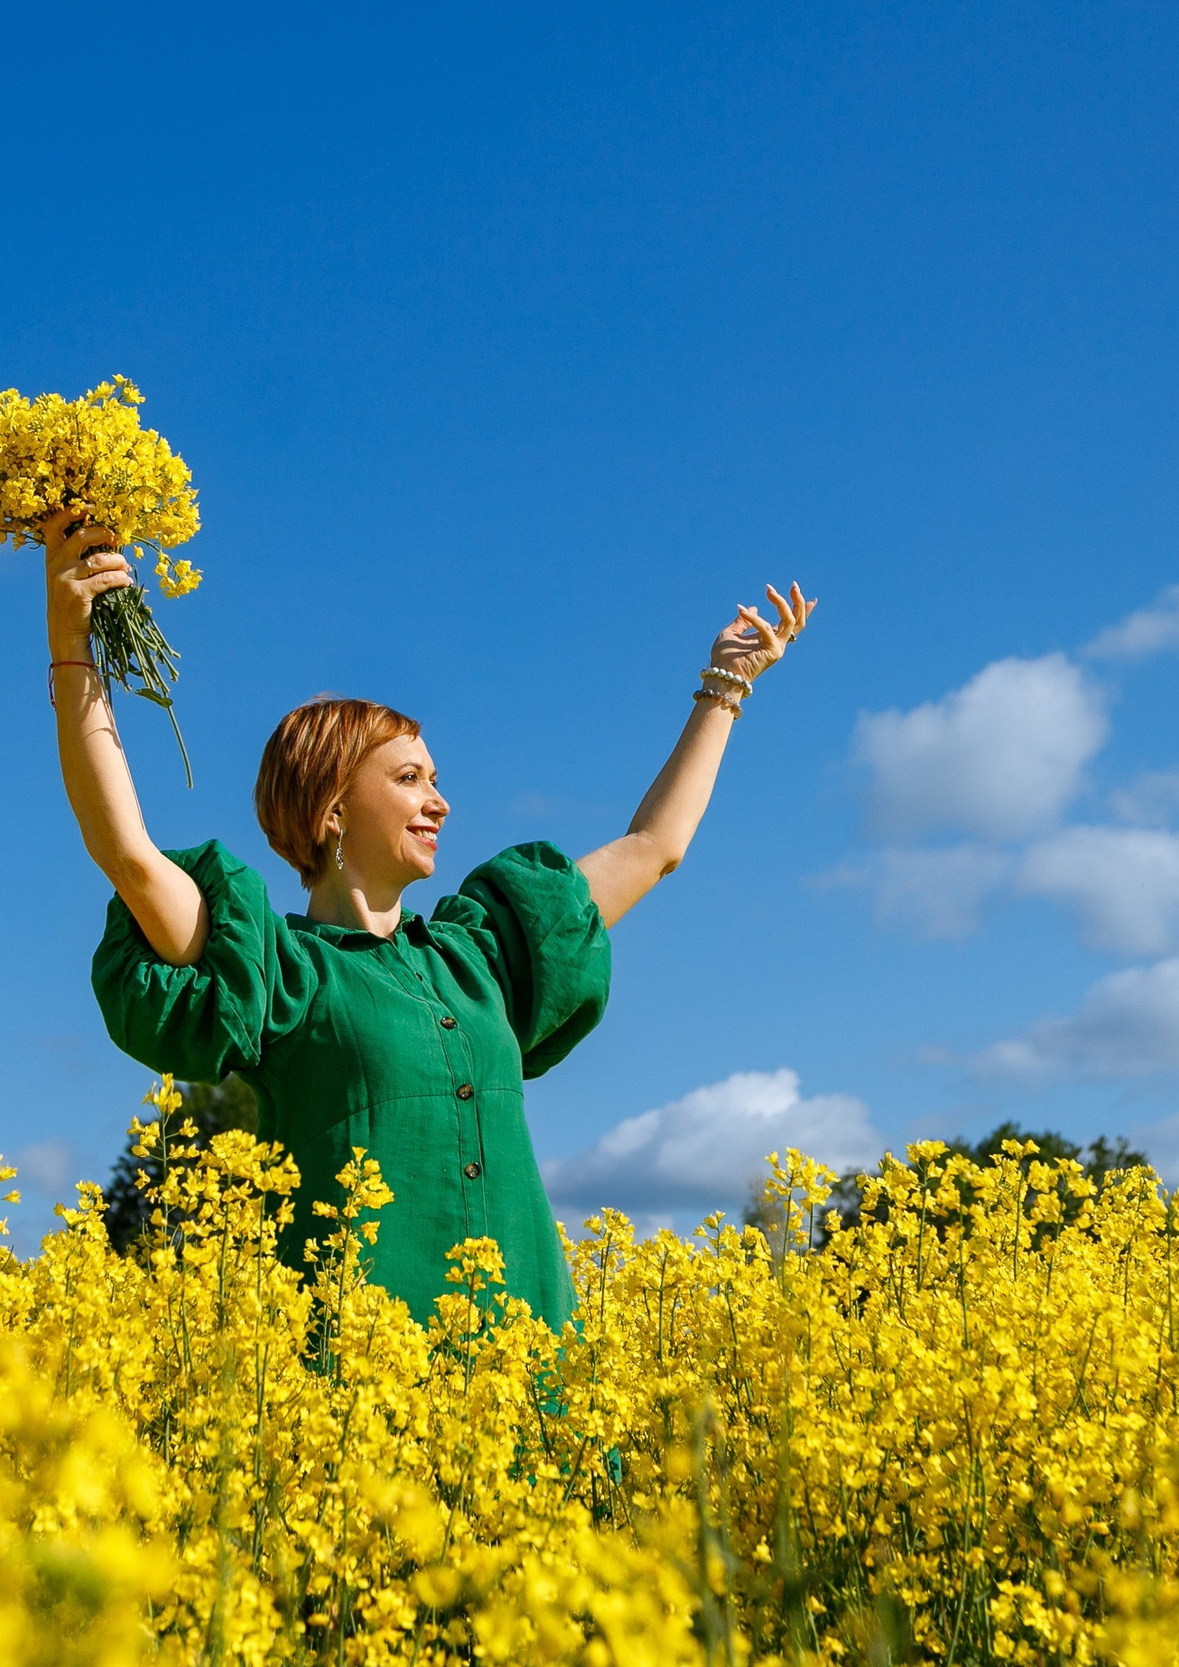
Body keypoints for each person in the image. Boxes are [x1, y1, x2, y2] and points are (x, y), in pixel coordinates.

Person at [47, 515, 813, 1325]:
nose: (439, 801)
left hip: (525, 1380)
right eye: (410, 777)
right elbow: (126, 851)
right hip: (358, 1397)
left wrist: (725, 687)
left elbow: (656, 846)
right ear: (332, 807)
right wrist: (72, 641)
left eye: (436, 778)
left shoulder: (481, 954)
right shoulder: (275, 971)